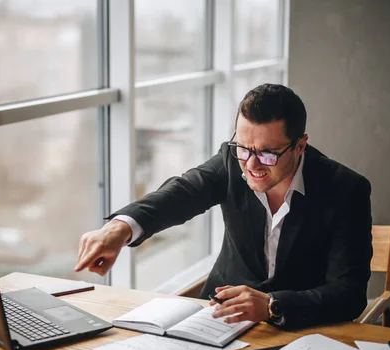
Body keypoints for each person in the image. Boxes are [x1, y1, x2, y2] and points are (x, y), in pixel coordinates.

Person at [74, 83, 372, 330]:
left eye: (268, 153)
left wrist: (272, 305)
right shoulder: (232, 162)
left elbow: (349, 294)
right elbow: (184, 191)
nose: (252, 165)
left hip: (301, 328)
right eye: (243, 148)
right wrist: (121, 227)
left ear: (300, 145)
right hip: (219, 321)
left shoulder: (346, 190)